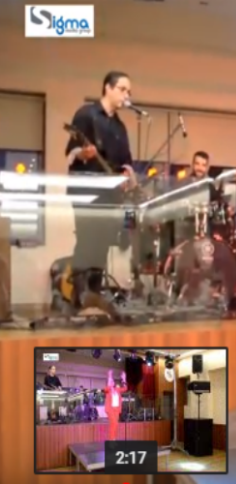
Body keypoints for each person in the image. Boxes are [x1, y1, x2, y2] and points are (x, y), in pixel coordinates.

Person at [64, 71, 137, 309]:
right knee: (87, 240)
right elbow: (71, 151)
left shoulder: (120, 127)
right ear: (108, 88)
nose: (126, 95)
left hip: (110, 194)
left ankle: (94, 297)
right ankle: (79, 298)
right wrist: (83, 154)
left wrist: (126, 173)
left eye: (129, 92)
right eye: (123, 89)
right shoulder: (86, 114)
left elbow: (126, 160)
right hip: (86, 191)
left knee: (103, 243)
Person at [103, 369, 127, 441]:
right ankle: (112, 439)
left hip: (116, 409)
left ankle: (113, 438)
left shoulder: (117, 389)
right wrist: (109, 376)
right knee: (114, 423)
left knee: (114, 425)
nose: (112, 382)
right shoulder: (107, 390)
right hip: (110, 410)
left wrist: (124, 379)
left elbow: (125, 388)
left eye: (112, 381)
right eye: (110, 381)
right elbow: (107, 388)